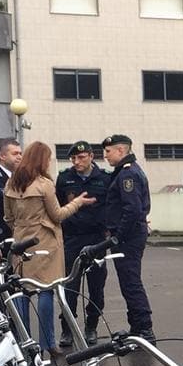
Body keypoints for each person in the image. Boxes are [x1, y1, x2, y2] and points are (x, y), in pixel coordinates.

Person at [3, 141, 94, 353]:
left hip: (20, 241)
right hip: (45, 241)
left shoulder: (11, 184)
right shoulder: (44, 183)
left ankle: (24, 341)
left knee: (22, 291)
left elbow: (8, 217)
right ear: (42, 160)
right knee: (46, 291)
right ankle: (48, 342)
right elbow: (58, 215)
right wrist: (78, 202)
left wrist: (21, 229)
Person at [55, 140, 111, 348]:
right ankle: (67, 328)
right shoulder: (64, 178)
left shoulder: (104, 179)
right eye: (73, 158)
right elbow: (57, 206)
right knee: (70, 286)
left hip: (97, 239)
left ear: (91, 157)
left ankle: (92, 326)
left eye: (81, 157)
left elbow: (112, 206)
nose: (76, 161)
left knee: (97, 287)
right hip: (72, 238)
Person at [101, 133, 155, 342]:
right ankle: (137, 327)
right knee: (128, 282)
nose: (105, 155)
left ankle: (144, 329)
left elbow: (132, 210)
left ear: (121, 150)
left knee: (131, 282)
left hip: (128, 237)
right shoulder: (126, 171)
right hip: (130, 235)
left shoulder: (127, 175)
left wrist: (118, 236)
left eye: (108, 151)